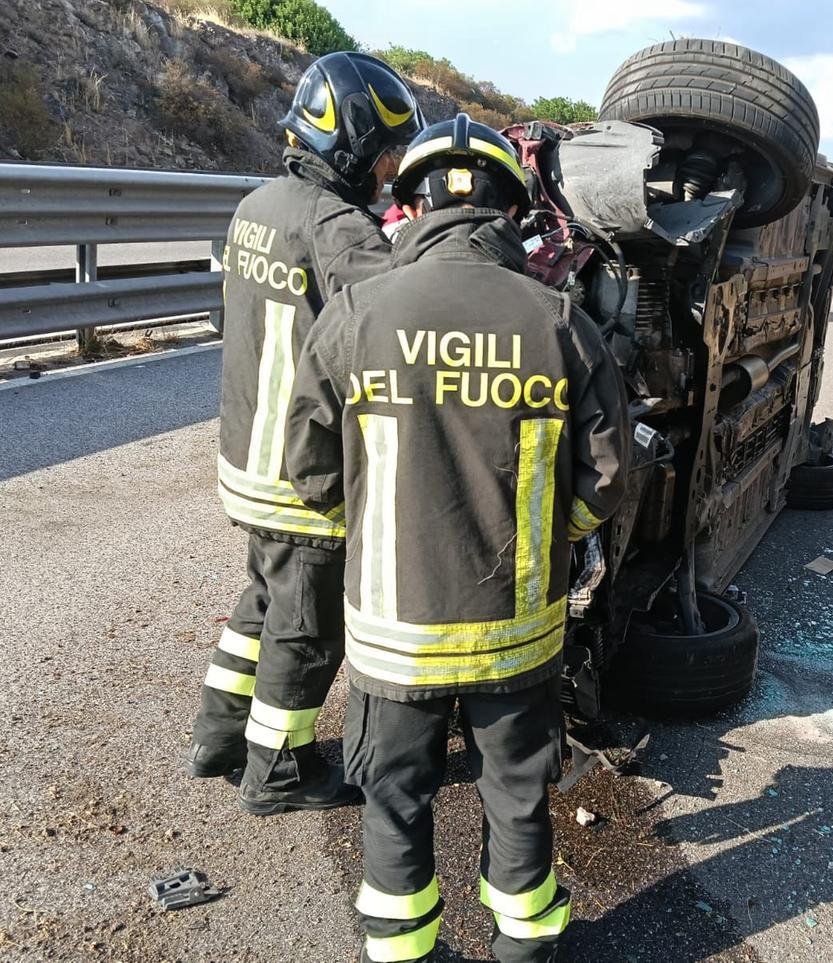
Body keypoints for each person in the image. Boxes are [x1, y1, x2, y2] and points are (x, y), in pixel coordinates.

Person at [285, 113, 630, 962]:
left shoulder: (358, 314)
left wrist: (366, 536)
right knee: (516, 797)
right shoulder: (560, 322)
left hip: (392, 637)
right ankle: (524, 945)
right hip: (516, 637)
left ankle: (403, 952)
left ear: (409, 206)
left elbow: (307, 467)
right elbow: (611, 476)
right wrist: (556, 544)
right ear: (511, 214)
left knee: (395, 798)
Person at [188, 52, 423, 817]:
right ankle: (276, 768)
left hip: (248, 459)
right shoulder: (336, 226)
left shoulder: (255, 205)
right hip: (300, 475)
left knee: (262, 601)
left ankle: (217, 735)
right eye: (386, 155)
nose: (388, 176)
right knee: (306, 631)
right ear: (351, 144)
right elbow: (401, 312)